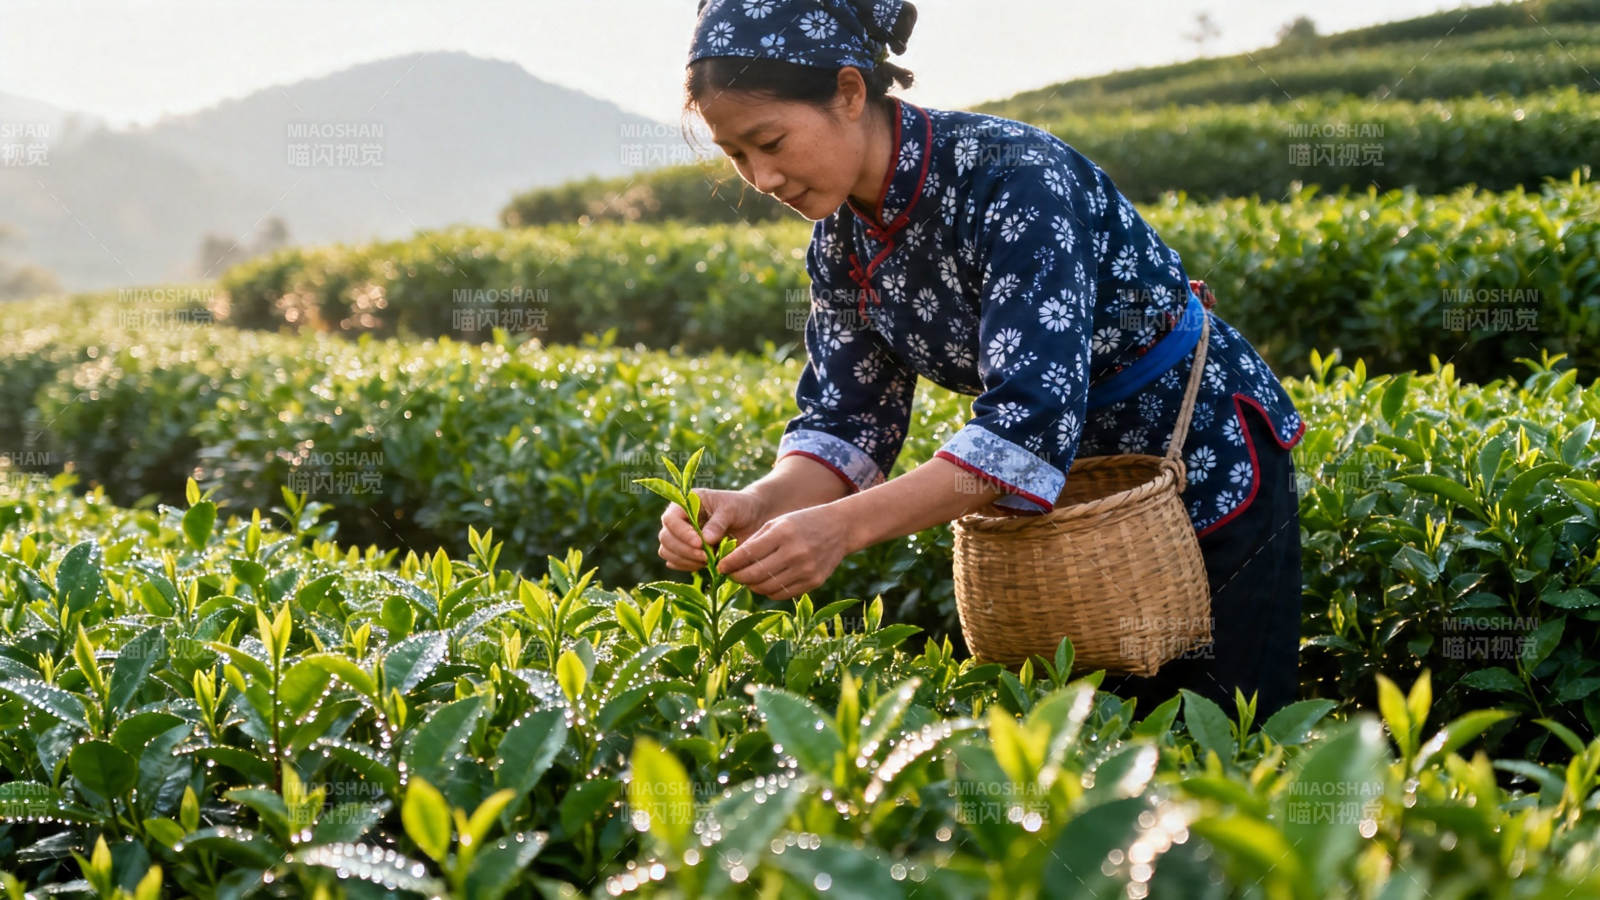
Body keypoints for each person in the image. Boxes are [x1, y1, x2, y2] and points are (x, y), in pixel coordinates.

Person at [655, 0, 1306, 721]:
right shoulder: (841, 243)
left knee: (1230, 730)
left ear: (848, 91)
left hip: (1201, 461)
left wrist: (841, 528)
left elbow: (1024, 429)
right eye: (737, 156)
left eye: (769, 141)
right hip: (1075, 503)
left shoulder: (1014, 180)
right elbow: (847, 423)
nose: (762, 178)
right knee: (1100, 745)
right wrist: (758, 504)